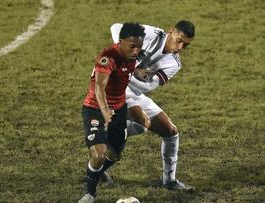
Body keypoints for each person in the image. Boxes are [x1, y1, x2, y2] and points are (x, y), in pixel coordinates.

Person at [108, 20, 196, 191]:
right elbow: (116, 27)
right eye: (179, 40)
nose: (180, 47)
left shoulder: (173, 63)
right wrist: (126, 55)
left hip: (134, 91)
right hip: (114, 85)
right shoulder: (151, 34)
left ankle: (169, 181)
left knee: (170, 132)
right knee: (141, 124)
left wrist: (132, 71)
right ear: (171, 31)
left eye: (185, 45)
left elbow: (149, 86)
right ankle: (108, 146)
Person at [78, 22, 145, 203]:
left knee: (115, 154)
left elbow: (128, 68)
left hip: (119, 109)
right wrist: (105, 111)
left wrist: (139, 72)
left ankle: (95, 171)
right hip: (95, 109)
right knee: (99, 154)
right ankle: (90, 194)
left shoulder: (133, 55)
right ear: (121, 41)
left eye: (140, 46)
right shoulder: (107, 57)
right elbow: (99, 86)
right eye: (133, 46)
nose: (137, 51)